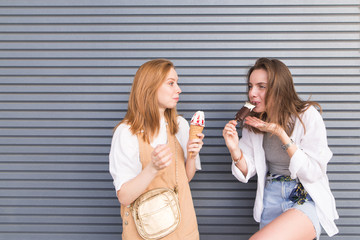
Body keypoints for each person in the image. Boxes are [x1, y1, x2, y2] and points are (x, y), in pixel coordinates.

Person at [223, 58, 339, 240]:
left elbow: (313, 172)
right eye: (250, 86)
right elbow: (248, 171)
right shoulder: (252, 123)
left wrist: (279, 132)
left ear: (279, 88)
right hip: (271, 197)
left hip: (303, 196)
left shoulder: (307, 116)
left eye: (261, 86)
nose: (252, 93)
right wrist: (234, 149)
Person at [109, 59, 204, 240]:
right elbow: (125, 197)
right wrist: (153, 168)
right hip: (144, 232)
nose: (179, 89)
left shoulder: (180, 126)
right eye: (171, 83)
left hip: (183, 229)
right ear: (149, 88)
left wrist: (192, 156)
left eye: (177, 82)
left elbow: (184, 179)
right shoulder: (126, 133)